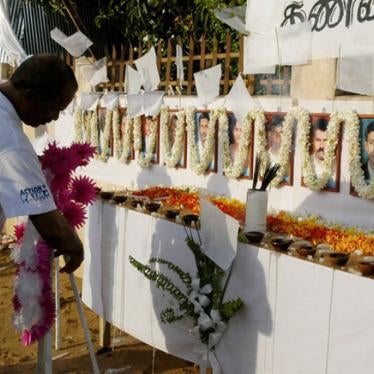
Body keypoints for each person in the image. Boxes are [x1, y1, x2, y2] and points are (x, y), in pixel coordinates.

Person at [0, 54, 83, 273]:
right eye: (54, 108)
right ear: (29, 96)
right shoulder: (12, 141)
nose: (55, 117)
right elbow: (50, 225)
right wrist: (73, 244)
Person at [310, 118, 336, 189]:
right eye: (318, 140)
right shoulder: (307, 164)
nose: (321, 145)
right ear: (312, 141)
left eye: (325, 140)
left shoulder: (338, 164)